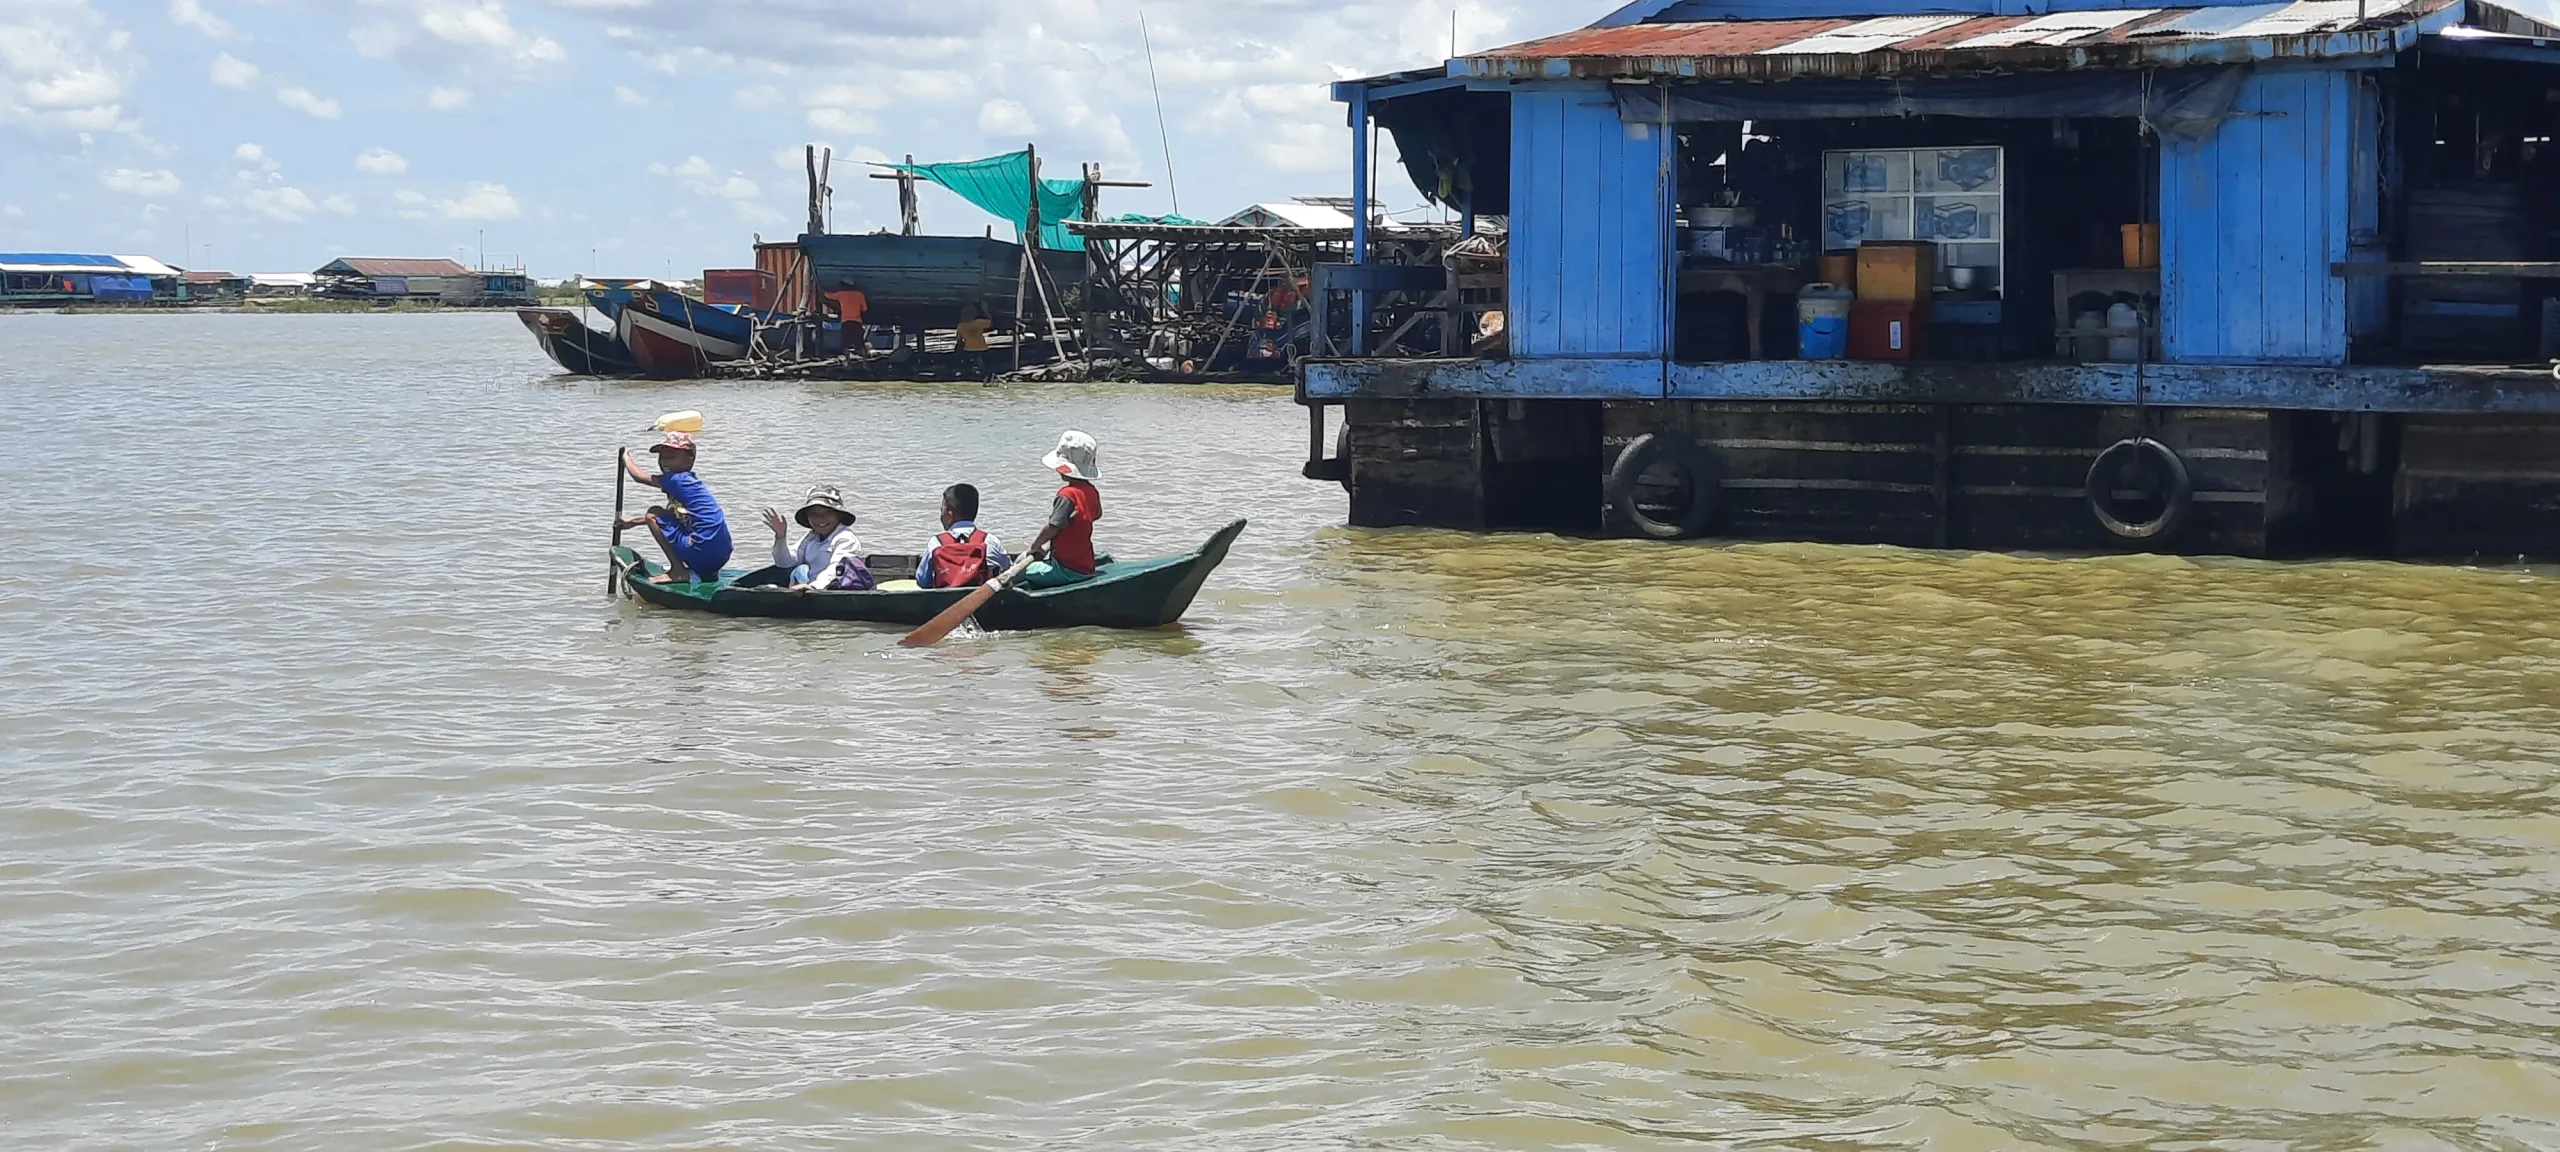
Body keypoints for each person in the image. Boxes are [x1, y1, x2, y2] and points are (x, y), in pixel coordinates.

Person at [615, 432, 732, 585]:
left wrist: (625, 457)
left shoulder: (677, 479)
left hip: (701, 549)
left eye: (670, 456)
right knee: (663, 515)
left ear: (689, 460)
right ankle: (705, 573)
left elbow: (638, 477)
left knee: (653, 513)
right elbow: (674, 516)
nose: (664, 462)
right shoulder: (691, 483)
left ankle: (678, 571)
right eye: (662, 457)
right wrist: (633, 522)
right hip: (721, 555)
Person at [734, 485, 873, 592]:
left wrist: (813, 587)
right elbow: (785, 563)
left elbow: (835, 569)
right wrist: (780, 537)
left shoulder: (845, 538)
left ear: (839, 515)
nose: (820, 519)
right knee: (799, 570)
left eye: (827, 513)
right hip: (808, 588)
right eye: (814, 514)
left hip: (833, 588)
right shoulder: (811, 536)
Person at [1019, 430, 1102, 590]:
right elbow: (1095, 515)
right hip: (1086, 565)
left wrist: (1035, 546)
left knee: (1021, 570)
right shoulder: (1091, 492)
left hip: (1066, 569)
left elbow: (1052, 527)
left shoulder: (1067, 495)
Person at [916, 483, 1013, 590]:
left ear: (949, 512)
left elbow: (923, 581)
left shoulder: (936, 543)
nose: (941, 516)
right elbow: (1008, 571)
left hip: (946, 603)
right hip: (984, 603)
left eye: (941, 510)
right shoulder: (991, 541)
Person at [955, 303, 994, 382]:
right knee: (989, 367)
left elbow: (959, 340)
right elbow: (991, 323)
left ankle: (967, 372)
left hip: (968, 349)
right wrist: (985, 310)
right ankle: (986, 375)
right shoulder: (979, 322)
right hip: (983, 348)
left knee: (966, 364)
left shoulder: (961, 325)